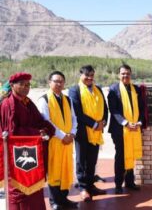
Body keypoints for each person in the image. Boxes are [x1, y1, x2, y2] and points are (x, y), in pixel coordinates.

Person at [0, 72, 55, 210]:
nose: (26, 87)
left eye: (28, 85)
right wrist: (36, 133)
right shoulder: (8, 104)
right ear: (12, 85)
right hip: (17, 158)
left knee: (34, 190)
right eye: (23, 84)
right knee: (19, 192)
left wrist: (47, 129)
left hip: (32, 155)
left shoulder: (27, 102)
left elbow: (39, 121)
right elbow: (11, 132)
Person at [38, 71, 78, 210]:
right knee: (54, 171)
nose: (59, 83)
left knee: (65, 170)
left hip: (67, 142)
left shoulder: (68, 100)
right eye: (56, 81)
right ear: (49, 82)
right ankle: (54, 201)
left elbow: (74, 118)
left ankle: (64, 199)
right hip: (54, 141)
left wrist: (72, 133)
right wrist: (63, 136)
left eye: (61, 81)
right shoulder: (44, 100)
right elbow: (46, 121)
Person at [68, 65, 108, 201]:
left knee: (92, 161)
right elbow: (77, 113)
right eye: (87, 75)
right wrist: (94, 124)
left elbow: (105, 108)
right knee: (81, 161)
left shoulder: (99, 90)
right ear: (81, 75)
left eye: (92, 75)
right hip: (82, 132)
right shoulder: (75, 90)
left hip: (96, 133)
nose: (90, 78)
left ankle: (91, 186)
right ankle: (83, 188)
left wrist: (103, 122)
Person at [107, 63, 144, 194]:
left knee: (131, 154)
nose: (125, 76)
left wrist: (139, 122)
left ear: (131, 74)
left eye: (127, 73)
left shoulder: (136, 89)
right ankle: (118, 184)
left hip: (134, 128)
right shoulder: (113, 89)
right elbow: (113, 110)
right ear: (119, 75)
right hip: (119, 129)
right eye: (123, 73)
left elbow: (141, 108)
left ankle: (129, 182)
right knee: (121, 156)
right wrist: (126, 123)